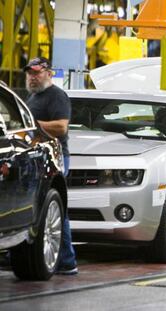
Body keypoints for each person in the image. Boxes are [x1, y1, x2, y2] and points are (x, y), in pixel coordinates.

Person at [24, 57, 77, 275]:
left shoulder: (56, 96)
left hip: (56, 158)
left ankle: (66, 260)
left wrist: (31, 126)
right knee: (43, 209)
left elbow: (61, 127)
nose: (33, 77)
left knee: (54, 209)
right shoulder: (33, 97)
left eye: (37, 73)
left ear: (49, 73)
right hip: (38, 159)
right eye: (30, 73)